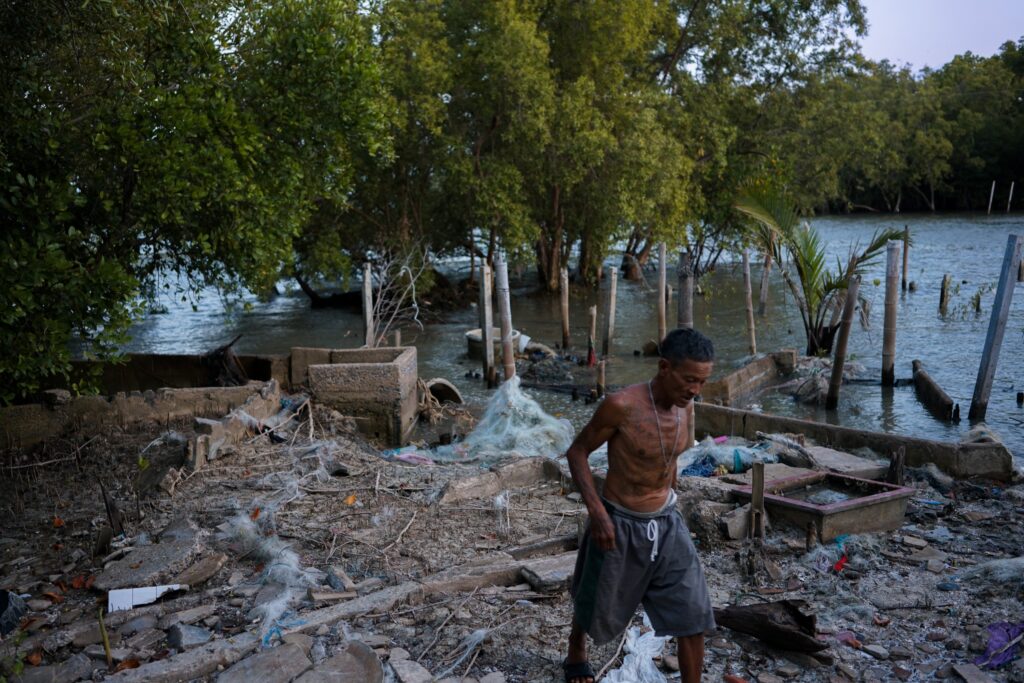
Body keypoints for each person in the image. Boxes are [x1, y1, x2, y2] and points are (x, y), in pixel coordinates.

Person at [562, 328, 716, 683]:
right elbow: (577, 453)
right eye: (689, 379)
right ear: (664, 367)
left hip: (667, 521)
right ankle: (576, 648)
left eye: (703, 382)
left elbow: (670, 456)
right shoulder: (622, 406)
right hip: (620, 520)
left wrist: (670, 491)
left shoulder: (686, 406)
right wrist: (598, 514)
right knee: (594, 598)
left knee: (694, 612)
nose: (695, 390)